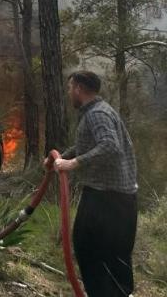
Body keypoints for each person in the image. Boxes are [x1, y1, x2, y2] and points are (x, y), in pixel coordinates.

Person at [47, 70, 138, 297]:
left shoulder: (97, 114)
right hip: (119, 199)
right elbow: (88, 144)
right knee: (114, 258)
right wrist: (62, 158)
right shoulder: (99, 111)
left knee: (90, 249)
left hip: (106, 199)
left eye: (70, 88)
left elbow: (109, 146)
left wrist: (74, 163)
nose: (69, 93)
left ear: (78, 88)